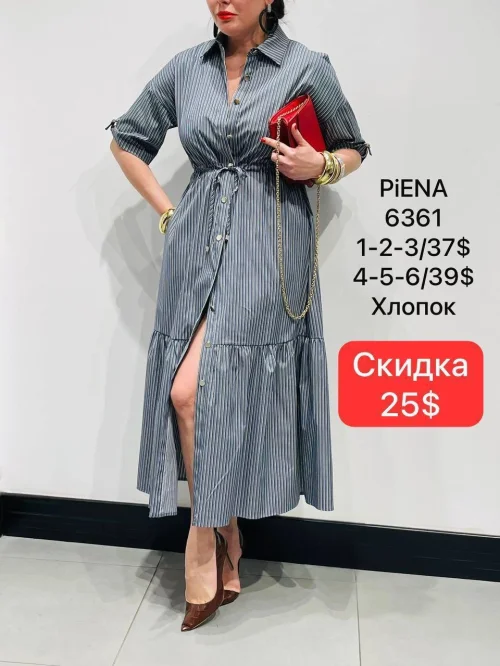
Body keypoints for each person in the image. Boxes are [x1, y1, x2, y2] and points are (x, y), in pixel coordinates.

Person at [107, 0, 370, 632]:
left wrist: (321, 165)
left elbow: (355, 146)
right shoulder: (186, 69)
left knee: (195, 391)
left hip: (267, 249)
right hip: (195, 245)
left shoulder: (305, 66)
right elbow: (127, 138)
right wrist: (169, 213)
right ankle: (225, 531)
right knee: (192, 394)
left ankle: (202, 543)